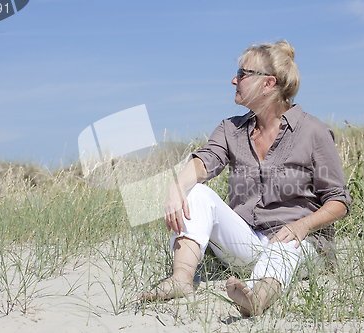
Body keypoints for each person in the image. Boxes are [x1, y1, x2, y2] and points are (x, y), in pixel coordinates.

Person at [141, 40, 352, 316]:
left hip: (300, 244)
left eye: (242, 74)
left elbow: (339, 201)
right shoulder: (231, 129)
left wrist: (303, 225)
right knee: (196, 192)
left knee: (284, 247)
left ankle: (258, 296)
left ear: (268, 84)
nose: (234, 80)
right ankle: (181, 279)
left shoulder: (313, 131)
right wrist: (177, 187)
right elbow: (205, 161)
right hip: (248, 241)